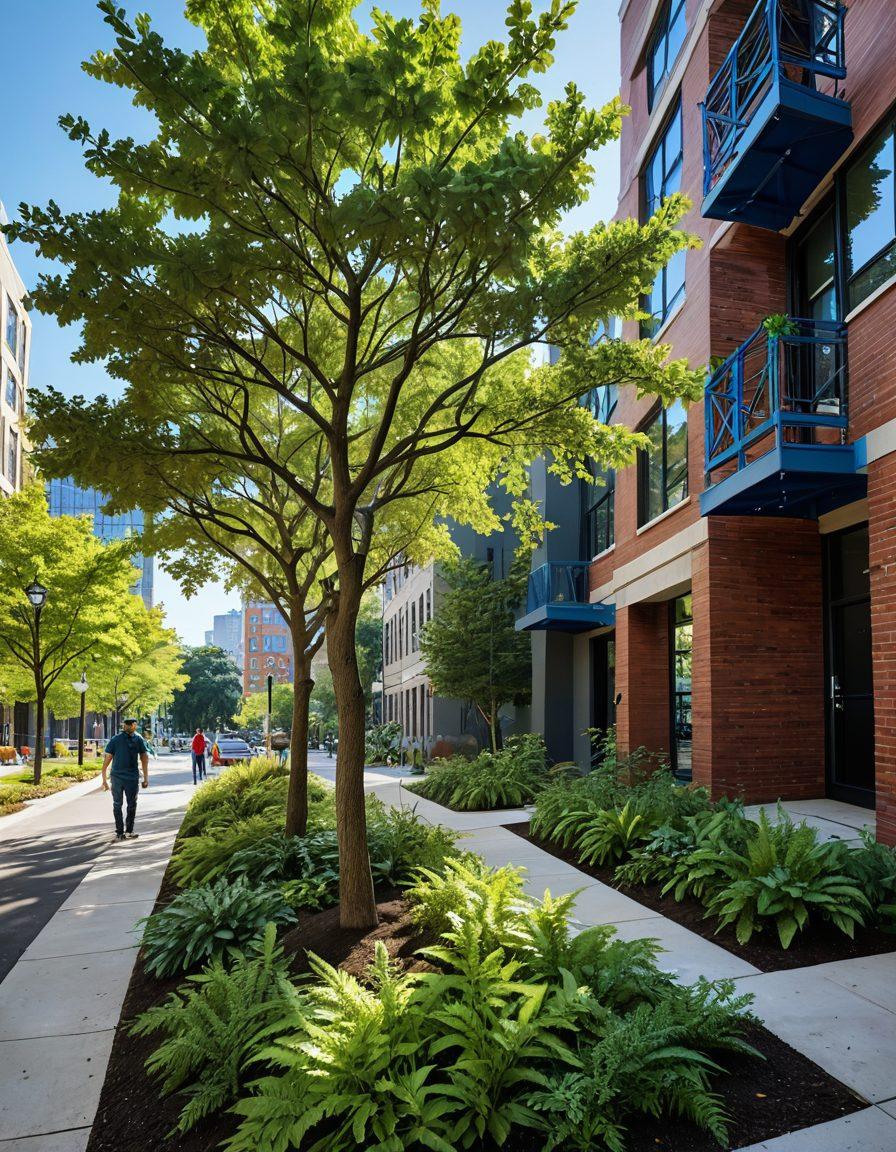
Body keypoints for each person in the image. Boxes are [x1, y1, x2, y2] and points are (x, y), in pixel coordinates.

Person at [101, 718, 149, 842]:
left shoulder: (124, 739)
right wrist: (145, 778)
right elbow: (144, 759)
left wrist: (104, 778)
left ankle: (122, 832)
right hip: (126, 778)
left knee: (121, 804)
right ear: (133, 725)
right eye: (134, 725)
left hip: (121, 777)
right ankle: (125, 831)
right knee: (128, 804)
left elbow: (107, 760)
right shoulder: (134, 739)